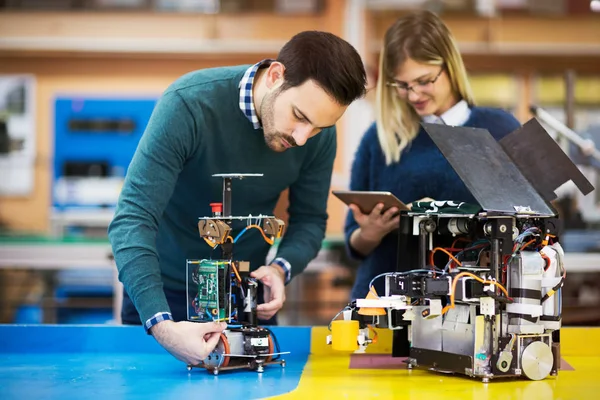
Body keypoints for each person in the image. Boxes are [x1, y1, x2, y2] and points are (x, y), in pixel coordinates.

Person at [108, 30, 367, 366]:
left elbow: (309, 221)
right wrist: (161, 324)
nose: (304, 138)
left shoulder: (316, 135)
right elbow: (132, 219)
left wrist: (279, 269)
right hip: (162, 295)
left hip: (246, 300)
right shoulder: (189, 104)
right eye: (301, 117)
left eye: (319, 128)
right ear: (276, 76)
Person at [344, 10, 522, 301]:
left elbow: (536, 223)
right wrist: (370, 233)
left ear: (450, 66)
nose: (414, 95)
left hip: (477, 303)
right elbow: (355, 243)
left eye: (425, 80)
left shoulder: (500, 128)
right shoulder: (380, 138)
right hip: (387, 304)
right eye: (402, 85)